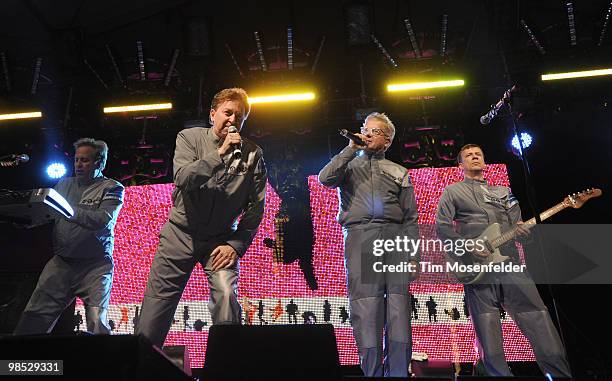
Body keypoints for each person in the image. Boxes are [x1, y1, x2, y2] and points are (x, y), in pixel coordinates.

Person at [136, 87, 267, 348]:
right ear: (212, 115)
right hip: (179, 236)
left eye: (239, 117)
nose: (232, 120)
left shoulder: (253, 154)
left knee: (227, 294)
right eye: (227, 113)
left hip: (220, 241)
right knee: (155, 309)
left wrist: (235, 245)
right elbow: (183, 178)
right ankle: (141, 365)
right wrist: (218, 155)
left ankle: (226, 365)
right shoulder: (189, 138)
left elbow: (256, 207)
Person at [436, 143, 571, 377]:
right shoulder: (453, 191)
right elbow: (442, 228)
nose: (475, 157)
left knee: (540, 321)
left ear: (484, 161)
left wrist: (525, 234)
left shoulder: (504, 192)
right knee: (489, 340)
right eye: (469, 155)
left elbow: (520, 231)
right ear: (461, 165)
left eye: (478, 153)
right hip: (476, 270)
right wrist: (468, 244)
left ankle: (559, 375)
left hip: (510, 265)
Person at [318, 112, 419, 377]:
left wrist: (412, 255)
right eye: (366, 129)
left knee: (398, 310)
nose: (368, 134)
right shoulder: (348, 164)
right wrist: (351, 148)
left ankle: (398, 373)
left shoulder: (400, 171)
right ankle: (372, 373)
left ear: (387, 141)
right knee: (366, 308)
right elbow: (324, 179)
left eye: (376, 131)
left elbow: (411, 218)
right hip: (362, 237)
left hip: (396, 238)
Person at [14, 138, 124, 335]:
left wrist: (68, 210)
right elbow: (48, 214)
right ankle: (17, 362)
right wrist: (26, 220)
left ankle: (105, 364)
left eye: (85, 160)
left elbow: (102, 220)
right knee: (32, 319)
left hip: (95, 267)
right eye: (76, 160)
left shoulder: (112, 188)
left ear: (99, 163)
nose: (79, 165)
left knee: (97, 321)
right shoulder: (63, 184)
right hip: (61, 264)